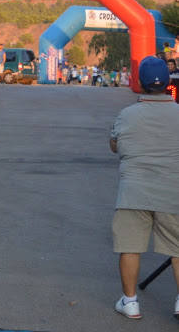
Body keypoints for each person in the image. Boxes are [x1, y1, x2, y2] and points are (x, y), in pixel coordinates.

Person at [109, 56, 179, 320]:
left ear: (140, 82)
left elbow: (115, 146)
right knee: (178, 249)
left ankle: (130, 303)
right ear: (168, 82)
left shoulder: (126, 115)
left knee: (130, 247)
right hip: (174, 191)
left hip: (133, 192)